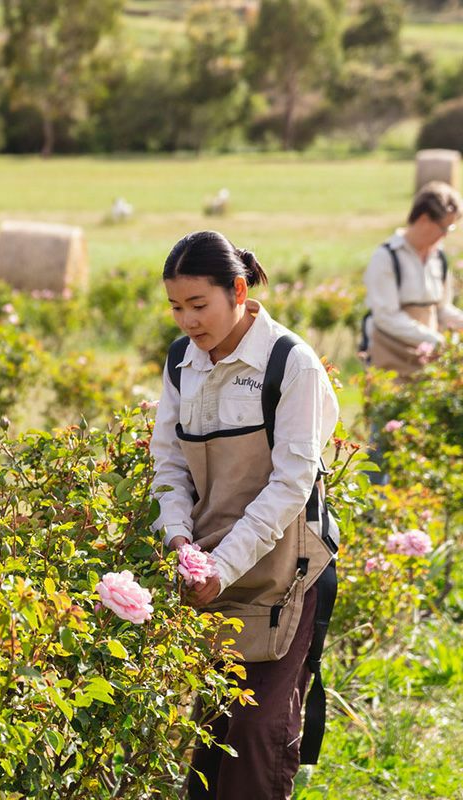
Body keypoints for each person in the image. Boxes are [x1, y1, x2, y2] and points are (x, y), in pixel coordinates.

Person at [149, 231, 339, 800]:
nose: (187, 320)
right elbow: (169, 462)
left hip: (285, 569)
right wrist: (179, 537)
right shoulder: (182, 362)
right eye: (176, 307)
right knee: (215, 733)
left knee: (259, 734)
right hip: (209, 565)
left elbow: (290, 485)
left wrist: (220, 566)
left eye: (199, 305)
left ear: (237, 290)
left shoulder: (291, 364)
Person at [362, 180, 463, 380]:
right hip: (390, 355)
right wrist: (434, 340)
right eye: (444, 228)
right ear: (424, 219)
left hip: (428, 356)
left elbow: (442, 308)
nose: (444, 235)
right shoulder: (387, 257)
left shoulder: (438, 258)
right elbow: (386, 316)